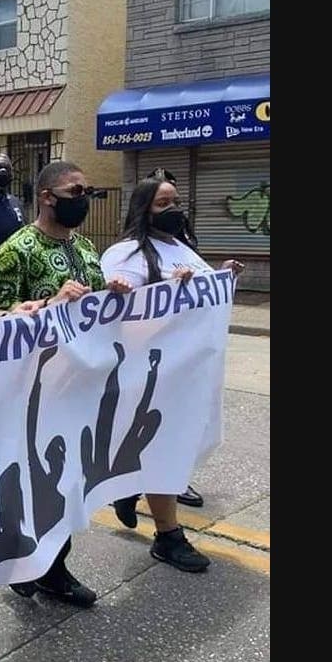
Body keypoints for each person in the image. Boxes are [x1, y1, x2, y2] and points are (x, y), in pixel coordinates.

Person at [99, 171, 244, 573]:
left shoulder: (181, 247)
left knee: (172, 445)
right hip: (148, 377)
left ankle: (131, 490)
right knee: (160, 448)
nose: (174, 210)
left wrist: (222, 277)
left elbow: (203, 299)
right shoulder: (126, 254)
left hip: (184, 374)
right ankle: (168, 536)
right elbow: (116, 311)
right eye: (163, 204)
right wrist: (155, 288)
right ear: (143, 210)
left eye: (176, 202)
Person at [0, 160, 110, 608]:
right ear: (46, 197)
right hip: (32, 392)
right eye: (75, 191)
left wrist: (115, 295)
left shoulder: (86, 248)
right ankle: (37, 567)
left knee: (68, 482)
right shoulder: (15, 251)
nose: (84, 199)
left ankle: (44, 565)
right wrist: (49, 303)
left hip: (78, 389)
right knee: (34, 484)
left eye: (87, 191)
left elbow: (99, 311)